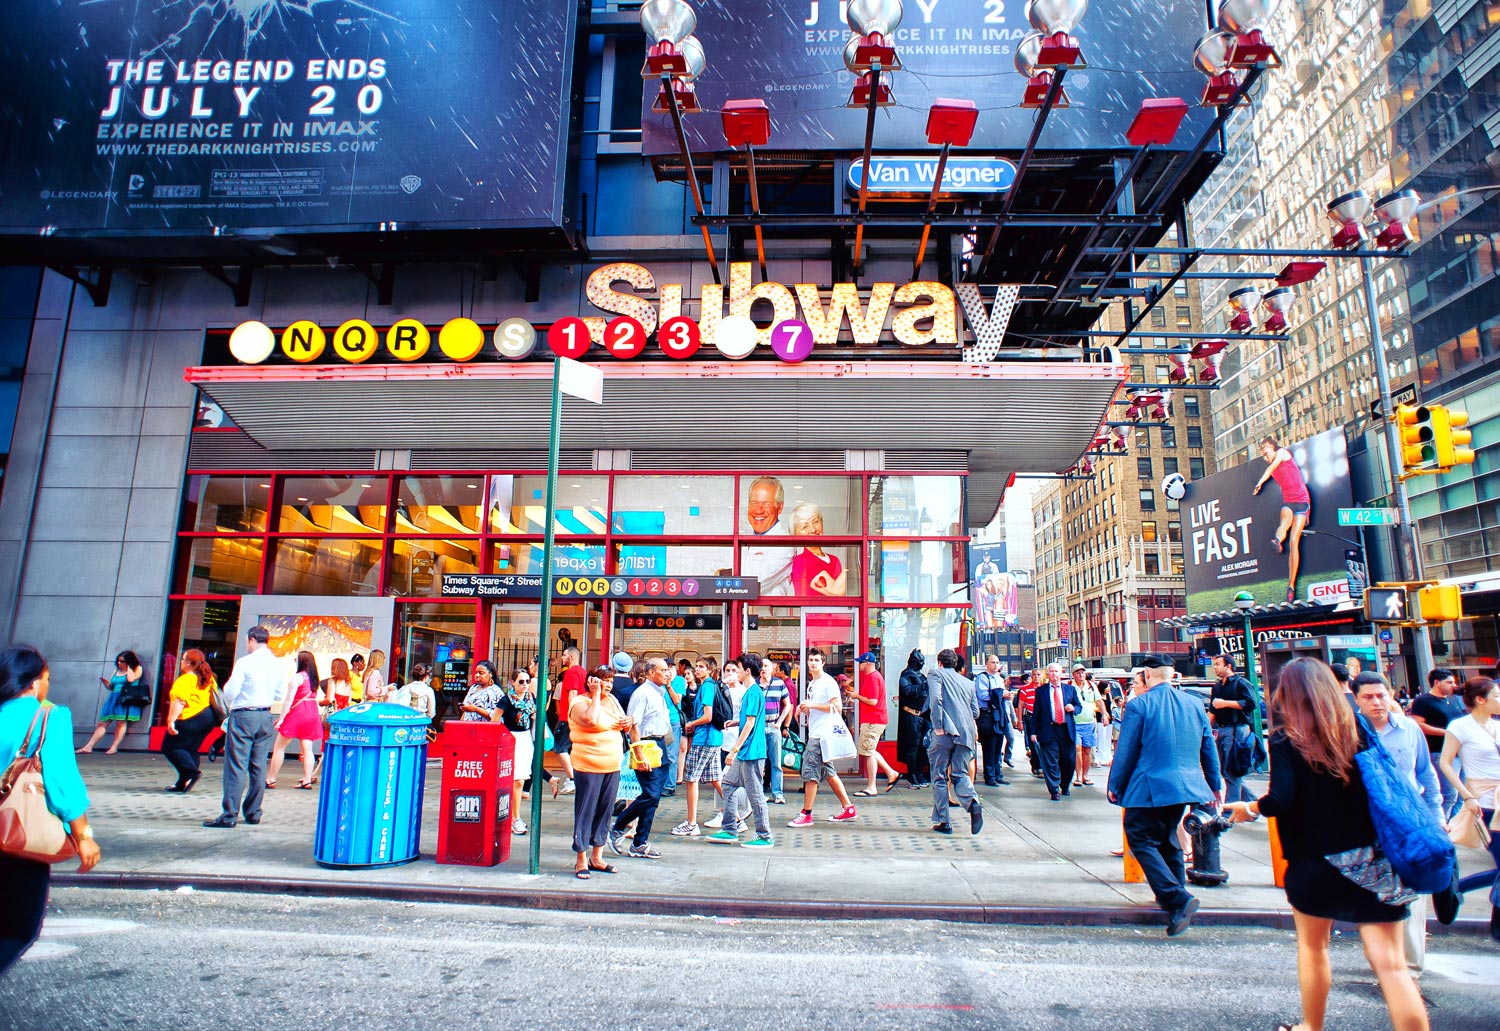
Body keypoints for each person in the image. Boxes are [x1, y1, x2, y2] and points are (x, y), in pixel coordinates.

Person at [1226, 658, 1429, 1031]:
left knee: (1314, 948)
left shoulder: (1287, 738)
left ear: (1289, 694)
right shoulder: (1360, 729)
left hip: (1314, 862)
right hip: (1371, 862)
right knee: (1392, 965)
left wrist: (1250, 807)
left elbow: (1280, 799)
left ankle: (1311, 1026)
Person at [0, 645, 101, 975]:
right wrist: (83, 836)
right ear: (33, 683)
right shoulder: (49, 716)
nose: (47, 686)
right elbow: (62, 783)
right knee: (19, 929)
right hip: (18, 839)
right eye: (47, 679)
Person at [1108, 655, 1221, 936]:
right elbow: (1208, 747)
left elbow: (1127, 749)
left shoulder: (1139, 705)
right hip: (1185, 786)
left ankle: (1176, 897)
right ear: (1172, 674)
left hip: (1149, 784)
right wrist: (1214, 784)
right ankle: (1175, 900)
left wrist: (1115, 784)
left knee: (1140, 837)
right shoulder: (1195, 704)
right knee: (1169, 838)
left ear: (1147, 675)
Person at [1353, 671, 1451, 970]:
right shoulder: (1348, 733)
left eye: (1381, 695)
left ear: (1391, 695)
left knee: (1412, 893)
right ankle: (1383, 961)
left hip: (1410, 823)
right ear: (1356, 700)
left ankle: (1409, 966)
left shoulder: (1409, 729)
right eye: (1368, 697)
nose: (1376, 702)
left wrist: (1437, 818)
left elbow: (1426, 776)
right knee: (1374, 895)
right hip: (1368, 824)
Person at [1435, 677, 1500, 942]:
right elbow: (1446, 763)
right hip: (1483, 803)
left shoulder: (1496, 726)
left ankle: (1458, 891)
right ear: (1480, 700)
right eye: (1496, 695)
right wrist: (1467, 796)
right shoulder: (1460, 726)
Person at [205, 626, 286, 829]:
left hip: (244, 715)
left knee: (236, 765)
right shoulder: (278, 664)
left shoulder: (245, 662)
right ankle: (253, 812)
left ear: (251, 640)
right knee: (258, 766)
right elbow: (279, 695)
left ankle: (229, 814)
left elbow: (231, 691)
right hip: (265, 715)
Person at [568, 665, 636, 879]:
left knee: (605, 811)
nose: (607, 685)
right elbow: (591, 720)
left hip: (612, 764)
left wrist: (629, 721)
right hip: (588, 765)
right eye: (603, 680)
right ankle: (580, 859)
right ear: (591, 681)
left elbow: (623, 722)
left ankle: (597, 856)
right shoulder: (579, 702)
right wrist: (596, 695)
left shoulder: (613, 700)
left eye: (610, 681)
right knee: (586, 810)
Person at [788, 647, 858, 826]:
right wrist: (805, 709)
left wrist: (813, 705)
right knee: (827, 771)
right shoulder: (813, 683)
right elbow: (817, 706)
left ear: (823, 663)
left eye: (816, 660)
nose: (813, 663)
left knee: (810, 772)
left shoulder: (828, 682)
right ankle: (848, 807)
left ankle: (807, 813)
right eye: (811, 660)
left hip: (821, 735)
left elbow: (837, 707)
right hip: (817, 733)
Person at [610, 657, 672, 859]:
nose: (667, 673)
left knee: (653, 798)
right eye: (663, 670)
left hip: (660, 746)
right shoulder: (642, 694)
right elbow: (633, 726)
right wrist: (638, 754)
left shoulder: (660, 693)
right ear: (651, 672)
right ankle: (618, 827)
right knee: (651, 795)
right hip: (645, 745)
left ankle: (640, 842)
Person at [709, 654, 773, 848]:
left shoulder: (753, 692)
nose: (735, 672)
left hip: (751, 752)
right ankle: (730, 829)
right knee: (728, 785)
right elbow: (749, 720)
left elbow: (751, 723)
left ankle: (764, 835)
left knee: (755, 794)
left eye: (738, 669)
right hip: (747, 751)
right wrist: (737, 722)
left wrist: (734, 750)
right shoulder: (751, 691)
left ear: (747, 671)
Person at [925, 648, 983, 835]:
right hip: (966, 734)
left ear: (939, 662)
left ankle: (944, 821)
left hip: (945, 732)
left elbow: (935, 700)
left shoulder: (935, 674)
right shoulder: (968, 683)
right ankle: (972, 803)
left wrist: (938, 725)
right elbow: (975, 712)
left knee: (939, 776)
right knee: (960, 774)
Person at [1253, 435, 1312, 603]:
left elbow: (1271, 468)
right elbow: (1270, 468)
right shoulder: (1273, 462)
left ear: (1273, 447)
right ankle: (1277, 540)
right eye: (1263, 455)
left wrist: (1261, 482)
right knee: (1284, 523)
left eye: (1266, 453)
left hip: (1302, 502)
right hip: (1288, 502)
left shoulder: (1283, 454)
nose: (1265, 457)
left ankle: (1291, 585)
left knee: (1294, 540)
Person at [671, 658, 723, 837]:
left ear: (710, 670)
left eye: (702, 667)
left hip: (704, 737)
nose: (698, 669)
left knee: (691, 778)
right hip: (713, 737)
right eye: (697, 666)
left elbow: (708, 715)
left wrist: (692, 723)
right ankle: (736, 816)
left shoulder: (707, 686)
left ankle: (692, 823)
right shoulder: (710, 685)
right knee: (715, 778)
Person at [1410, 667, 1466, 819]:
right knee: (1450, 793)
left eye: (1454, 682)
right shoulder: (1423, 701)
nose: (1453, 685)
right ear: (1437, 683)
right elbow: (1418, 725)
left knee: (1463, 793)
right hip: (1440, 751)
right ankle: (1442, 825)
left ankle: (1453, 825)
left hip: (1460, 752)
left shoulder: (1453, 700)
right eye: (1449, 682)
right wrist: (1446, 733)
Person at [161, 649, 217, 794]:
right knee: (190, 749)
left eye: (183, 659)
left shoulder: (186, 679)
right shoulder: (207, 678)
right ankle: (182, 782)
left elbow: (179, 701)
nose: (181, 662)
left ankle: (192, 772)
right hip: (206, 717)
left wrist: (171, 721)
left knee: (170, 747)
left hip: (189, 717)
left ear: (189, 663)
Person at [267, 651, 322, 791]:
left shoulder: (298, 677)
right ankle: (307, 779)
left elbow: (289, 699)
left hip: (297, 713)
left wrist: (282, 718)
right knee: (308, 749)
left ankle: (271, 778)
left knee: (279, 747)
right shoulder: (314, 679)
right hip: (311, 712)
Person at [1209, 653, 1259, 804]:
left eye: (1218, 664)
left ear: (1228, 666)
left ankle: (1230, 810)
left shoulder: (1241, 683)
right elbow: (1212, 712)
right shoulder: (1217, 687)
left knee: (1232, 771)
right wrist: (1204, 731)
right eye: (1214, 665)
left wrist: (1226, 703)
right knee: (1226, 771)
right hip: (1223, 731)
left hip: (1237, 730)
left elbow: (1251, 703)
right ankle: (1252, 802)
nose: (1215, 668)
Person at [78, 651, 148, 754]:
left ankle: (114, 747)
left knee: (121, 723)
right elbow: (111, 686)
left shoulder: (137, 669)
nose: (119, 663)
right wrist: (107, 684)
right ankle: (89, 746)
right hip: (114, 697)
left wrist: (129, 668)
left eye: (122, 661)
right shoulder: (117, 670)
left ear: (129, 661)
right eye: (118, 661)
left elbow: (131, 679)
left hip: (125, 698)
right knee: (102, 723)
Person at [1033, 663, 1082, 801]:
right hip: (1049, 729)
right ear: (1047, 674)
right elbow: (1036, 712)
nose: (1054, 674)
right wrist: (1033, 732)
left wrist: (1073, 708)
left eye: (1056, 671)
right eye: (1051, 672)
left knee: (1069, 760)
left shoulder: (1070, 690)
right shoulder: (1041, 691)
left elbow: (1079, 706)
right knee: (1050, 761)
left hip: (1066, 730)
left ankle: (1065, 785)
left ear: (1061, 673)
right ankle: (1054, 789)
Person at [852, 651, 898, 795]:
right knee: (869, 750)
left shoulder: (872, 678)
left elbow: (873, 701)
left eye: (861, 662)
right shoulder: (874, 677)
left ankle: (872, 787)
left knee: (868, 751)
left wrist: (856, 696)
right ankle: (891, 773)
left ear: (867, 663)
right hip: (874, 719)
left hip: (873, 719)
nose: (859, 664)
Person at [740, 475, 793, 595]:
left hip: (766, 613)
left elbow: (753, 585)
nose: (759, 510)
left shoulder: (785, 544)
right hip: (738, 613)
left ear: (779, 508)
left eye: (766, 504)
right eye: (754, 503)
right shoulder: (742, 540)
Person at [891, 649, 931, 790]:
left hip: (922, 715)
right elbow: (907, 691)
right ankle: (912, 774)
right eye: (920, 662)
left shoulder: (921, 675)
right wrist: (923, 686)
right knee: (912, 747)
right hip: (911, 715)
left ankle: (919, 772)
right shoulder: (907, 675)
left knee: (921, 746)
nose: (922, 664)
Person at [788, 503, 847, 596]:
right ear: (795, 535)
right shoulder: (802, 561)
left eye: (815, 522)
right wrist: (853, 569)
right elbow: (836, 592)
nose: (813, 530)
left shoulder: (834, 560)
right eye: (805, 527)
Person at [552, 646, 584, 794]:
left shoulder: (571, 672)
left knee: (559, 748)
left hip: (567, 718)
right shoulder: (583, 672)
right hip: (577, 718)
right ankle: (573, 778)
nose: (562, 658)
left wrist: (571, 715)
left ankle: (572, 779)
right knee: (570, 749)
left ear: (571, 657)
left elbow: (573, 694)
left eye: (564, 655)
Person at [973, 655, 1009, 787]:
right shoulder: (982, 677)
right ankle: (990, 775)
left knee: (999, 744)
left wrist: (1005, 696)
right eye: (993, 662)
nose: (995, 665)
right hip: (987, 715)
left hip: (999, 715)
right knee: (989, 746)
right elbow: (982, 695)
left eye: (997, 662)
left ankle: (997, 773)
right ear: (986, 664)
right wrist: (1000, 694)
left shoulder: (999, 678)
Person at [1070, 664, 1106, 788]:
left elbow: (1099, 701)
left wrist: (1105, 715)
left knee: (1087, 750)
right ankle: (1078, 776)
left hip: (1089, 722)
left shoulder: (1091, 686)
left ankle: (1086, 775)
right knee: (1077, 749)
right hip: (1075, 723)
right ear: (1073, 674)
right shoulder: (1070, 687)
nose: (1081, 675)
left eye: (1082, 672)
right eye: (1078, 672)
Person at [762, 660, 791, 803]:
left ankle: (778, 794)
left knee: (776, 762)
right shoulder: (754, 684)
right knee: (758, 762)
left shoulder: (779, 684)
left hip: (773, 727)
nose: (763, 669)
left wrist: (780, 723)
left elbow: (788, 705)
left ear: (773, 669)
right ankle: (758, 793)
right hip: (758, 729)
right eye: (761, 666)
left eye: (766, 666)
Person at [1016, 668, 1043, 777]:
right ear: (1031, 676)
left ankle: (1038, 764)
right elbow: (1020, 705)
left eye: (1038, 674)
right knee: (1033, 743)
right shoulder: (1025, 690)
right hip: (1030, 718)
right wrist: (1019, 721)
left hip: (1042, 718)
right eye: (1034, 675)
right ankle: (1038, 766)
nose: (1036, 677)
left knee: (1042, 743)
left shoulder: (1044, 688)